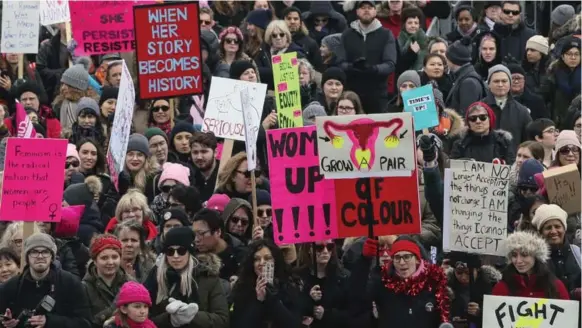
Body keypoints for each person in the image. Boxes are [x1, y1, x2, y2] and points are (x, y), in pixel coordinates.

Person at [351, 238, 451, 328]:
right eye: (397, 258)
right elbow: (357, 296)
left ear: (416, 259)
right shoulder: (382, 282)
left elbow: (444, 317)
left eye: (407, 257)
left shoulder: (434, 282)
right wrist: (364, 260)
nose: (402, 262)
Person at [0, 233, 92, 328]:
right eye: (34, 252)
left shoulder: (70, 283)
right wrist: (6, 323)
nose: (40, 256)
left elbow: (85, 323)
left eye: (45, 252)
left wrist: (49, 322)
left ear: (52, 256)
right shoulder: (11, 286)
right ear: (27, 257)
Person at [143, 227, 229, 328]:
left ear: (190, 252)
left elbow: (222, 320)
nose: (175, 256)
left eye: (181, 250)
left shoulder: (208, 277)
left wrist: (191, 315)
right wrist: (170, 319)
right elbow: (143, 317)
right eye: (170, 251)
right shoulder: (155, 277)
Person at [337, 0, 397, 114]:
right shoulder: (347, 35)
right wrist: (352, 67)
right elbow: (340, 62)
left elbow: (390, 64)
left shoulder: (386, 34)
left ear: (375, 11)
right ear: (357, 11)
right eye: (363, 7)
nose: (366, 10)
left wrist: (373, 69)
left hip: (377, 93)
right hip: (352, 93)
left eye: (369, 7)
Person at [231, 239, 302, 328]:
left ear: (275, 261)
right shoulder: (242, 287)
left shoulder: (288, 285)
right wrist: (259, 301)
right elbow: (240, 323)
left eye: (267, 258)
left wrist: (271, 298)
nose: (261, 263)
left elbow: (294, 324)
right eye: (257, 259)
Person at [492, 231, 570, 299]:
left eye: (524, 254)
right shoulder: (502, 287)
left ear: (535, 256)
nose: (518, 261)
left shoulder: (555, 286)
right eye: (514, 255)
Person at [296, 240, 350, 328]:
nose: (325, 251)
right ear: (309, 249)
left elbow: (352, 312)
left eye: (329, 247)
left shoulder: (342, 276)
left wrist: (327, 314)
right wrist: (309, 301)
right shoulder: (298, 276)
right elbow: (293, 310)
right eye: (319, 248)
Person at [532, 204, 581, 300]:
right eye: (548, 228)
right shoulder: (535, 258)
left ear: (564, 229)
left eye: (557, 226)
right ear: (540, 232)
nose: (553, 231)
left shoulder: (577, 253)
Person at [481, 64, 532, 151]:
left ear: (510, 83)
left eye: (504, 81)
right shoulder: (479, 108)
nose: (500, 85)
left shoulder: (522, 111)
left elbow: (529, 142)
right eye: (496, 81)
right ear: (488, 84)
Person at [83, 235, 130, 328]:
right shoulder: (84, 288)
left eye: (115, 257)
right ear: (95, 261)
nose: (110, 262)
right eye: (104, 258)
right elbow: (84, 322)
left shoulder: (131, 283)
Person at [445, 252, 501, 327]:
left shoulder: (491, 285)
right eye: (459, 273)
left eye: (468, 273)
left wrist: (480, 313)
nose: (463, 277)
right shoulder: (447, 287)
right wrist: (451, 319)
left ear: (477, 270)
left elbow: (498, 316)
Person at [192, 208, 248, 282]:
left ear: (218, 232)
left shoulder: (241, 256)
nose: (196, 239)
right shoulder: (193, 258)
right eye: (194, 234)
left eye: (201, 234)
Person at [450, 101, 515, 164]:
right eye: (473, 118)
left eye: (482, 117)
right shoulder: (460, 145)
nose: (478, 121)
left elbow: (512, 168)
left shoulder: (504, 143)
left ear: (490, 119)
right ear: (468, 123)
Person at [541, 36, 581, 129]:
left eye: (577, 54)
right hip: (558, 122)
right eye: (569, 54)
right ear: (563, 56)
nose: (573, 57)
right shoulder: (552, 74)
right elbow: (545, 100)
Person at [445, 38, 487, 115]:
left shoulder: (468, 83)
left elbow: (466, 115)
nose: (446, 62)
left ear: (453, 60)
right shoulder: (464, 77)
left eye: (447, 59)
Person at [282, 7, 324, 72]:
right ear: (282, 21)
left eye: (296, 19)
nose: (292, 22)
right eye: (289, 18)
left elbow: (319, 68)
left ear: (300, 22)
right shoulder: (275, 40)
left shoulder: (311, 43)